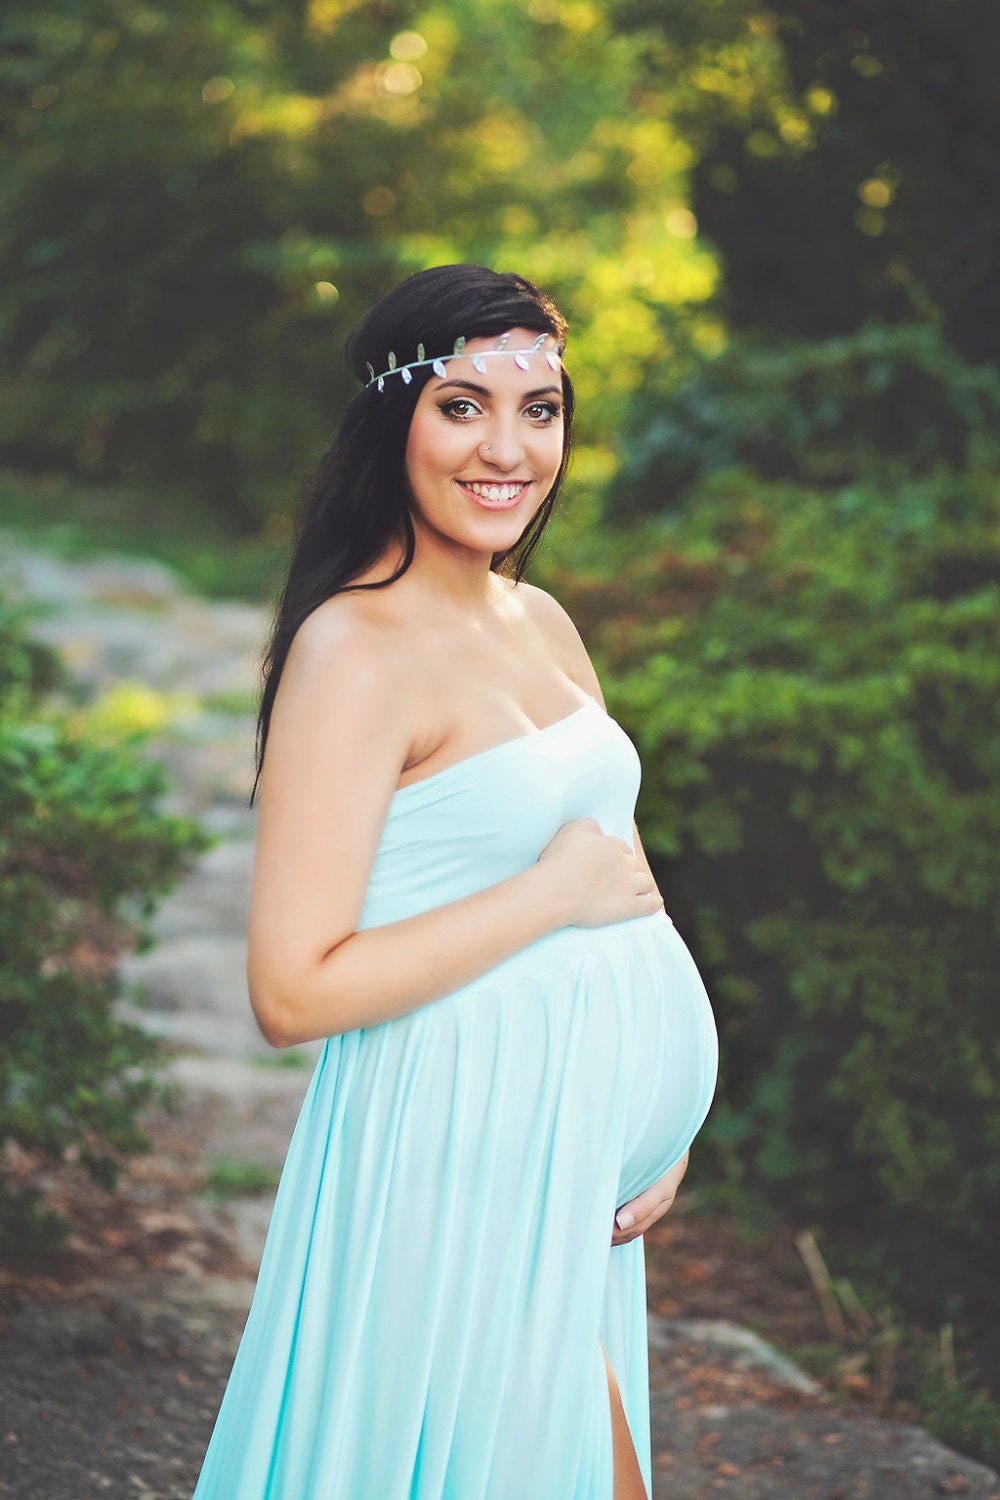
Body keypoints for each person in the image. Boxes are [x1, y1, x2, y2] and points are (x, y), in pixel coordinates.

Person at [191, 264, 718, 1500]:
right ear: (396, 422)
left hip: (560, 1164)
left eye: (540, 409)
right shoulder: (354, 651)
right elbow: (292, 991)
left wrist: (655, 1125)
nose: (508, 447)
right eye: (463, 404)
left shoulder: (539, 621)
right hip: (450, 1156)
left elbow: (615, 876)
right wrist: (545, 898)